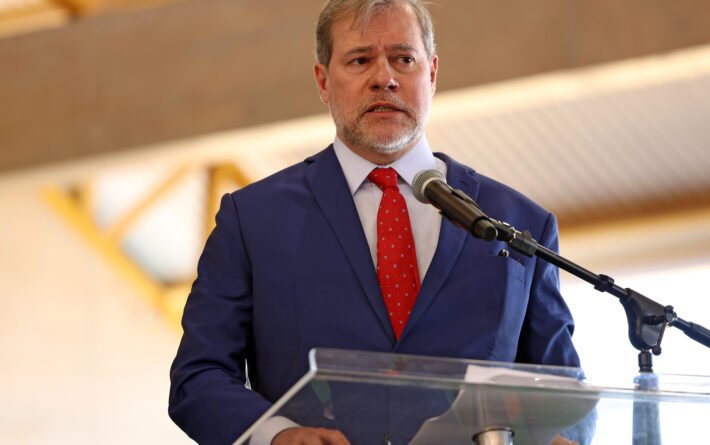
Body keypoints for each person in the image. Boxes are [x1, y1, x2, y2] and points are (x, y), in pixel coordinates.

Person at [169, 1, 582, 444]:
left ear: (432, 73)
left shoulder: (520, 223)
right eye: (360, 60)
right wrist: (277, 436)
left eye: (404, 59)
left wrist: (566, 437)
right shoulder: (253, 220)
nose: (384, 77)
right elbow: (200, 375)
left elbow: (565, 393)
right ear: (323, 82)